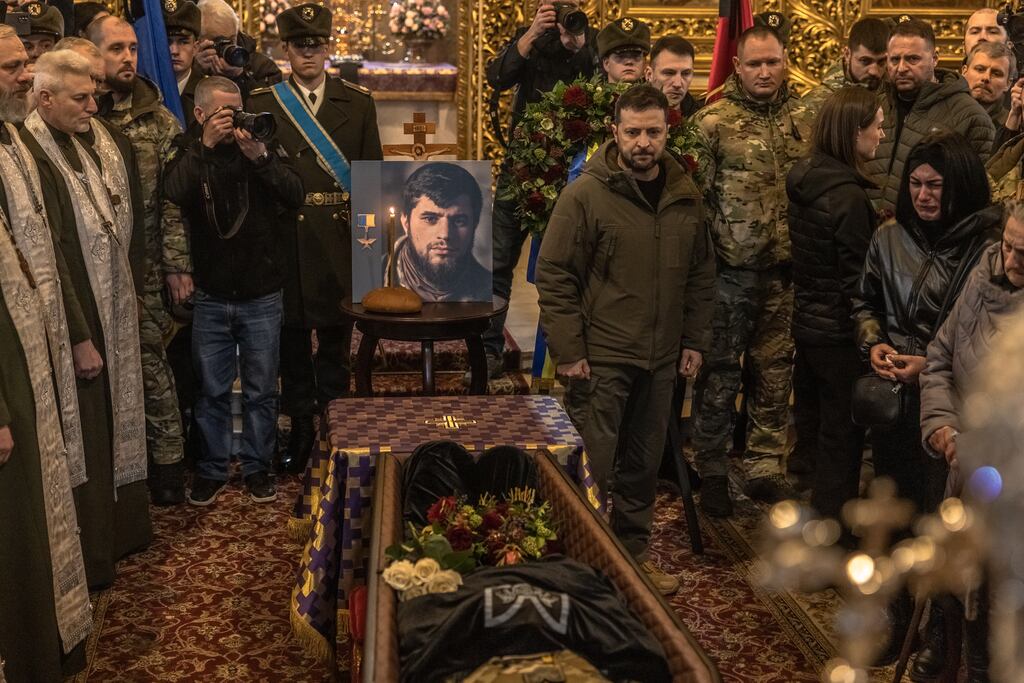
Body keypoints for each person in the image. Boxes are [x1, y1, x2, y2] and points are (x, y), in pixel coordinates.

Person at [536, 83, 716, 596]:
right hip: (602, 360)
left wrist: (694, 341)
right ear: (614, 132)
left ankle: (633, 563)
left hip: (660, 361)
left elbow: (701, 275)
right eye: (633, 132)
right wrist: (569, 352)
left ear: (667, 132)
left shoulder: (685, 194)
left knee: (641, 470)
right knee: (591, 467)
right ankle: (582, 566)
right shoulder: (586, 195)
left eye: (653, 132)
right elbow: (554, 273)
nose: (643, 142)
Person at [851, 132, 1001, 665]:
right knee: (894, 517)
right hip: (895, 400)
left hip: (950, 402)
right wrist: (875, 343)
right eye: (914, 184)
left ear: (958, 186)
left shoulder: (988, 248)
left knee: (941, 528)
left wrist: (929, 366)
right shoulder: (890, 237)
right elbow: (864, 300)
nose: (923, 196)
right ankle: (894, 626)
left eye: (934, 185)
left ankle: (939, 639)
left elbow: (981, 338)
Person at [20, 49, 152, 589]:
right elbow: (48, 251)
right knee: (87, 435)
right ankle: (93, 549)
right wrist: (77, 334)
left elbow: (130, 218)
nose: (95, 107)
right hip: (71, 317)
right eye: (82, 97)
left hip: (114, 302)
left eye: (95, 93)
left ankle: (124, 531)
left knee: (118, 419)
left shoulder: (100, 142)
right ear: (45, 98)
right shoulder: (31, 150)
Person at [247, 2, 382, 475]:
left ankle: (335, 424)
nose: (308, 54)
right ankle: (301, 427)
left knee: (333, 340)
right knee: (290, 341)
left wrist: (371, 256)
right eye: (299, 46)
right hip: (284, 237)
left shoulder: (358, 102)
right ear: (285, 50)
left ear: (328, 49)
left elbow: (371, 181)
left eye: (316, 45)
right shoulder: (263, 102)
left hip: (337, 240)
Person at [0, 28, 93, 680]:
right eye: (10, 66)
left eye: (24, 63)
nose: (22, 76)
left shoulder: (13, 143)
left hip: (31, 348)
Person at [164, 76, 303, 506]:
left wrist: (260, 158)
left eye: (238, 109)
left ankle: (258, 466)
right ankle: (211, 468)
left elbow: (296, 194)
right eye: (225, 112)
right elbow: (173, 191)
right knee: (212, 390)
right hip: (211, 293)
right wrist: (204, 146)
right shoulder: (188, 147)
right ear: (202, 114)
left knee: (263, 389)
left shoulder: (262, 140)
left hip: (262, 291)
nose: (236, 119)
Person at [689, 25, 809, 516]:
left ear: (785, 62)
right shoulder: (711, 123)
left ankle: (763, 466)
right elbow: (694, 206)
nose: (765, 72)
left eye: (773, 62)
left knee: (775, 373)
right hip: (728, 276)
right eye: (754, 63)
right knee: (719, 376)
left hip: (786, 275)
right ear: (736, 67)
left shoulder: (807, 118)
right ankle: (712, 467)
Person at [916, 204, 1024, 683]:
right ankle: (948, 644)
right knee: (961, 584)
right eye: (1009, 246)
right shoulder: (984, 273)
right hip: (966, 467)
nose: (1013, 259)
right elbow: (939, 356)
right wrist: (943, 426)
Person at [88, 16, 190, 505]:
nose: (128, 57)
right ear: (92, 55)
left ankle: (168, 467)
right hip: (92, 264)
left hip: (145, 263)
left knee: (152, 365)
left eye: (132, 47)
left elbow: (173, 203)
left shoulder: (158, 118)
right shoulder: (81, 113)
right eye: (115, 49)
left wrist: (177, 266)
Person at [480, 0, 599, 380]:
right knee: (498, 262)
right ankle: (487, 350)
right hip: (522, 170)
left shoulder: (591, 41)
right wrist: (531, 34)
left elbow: (605, 85)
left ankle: (556, 357)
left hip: (571, 175)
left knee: (559, 269)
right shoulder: (530, 39)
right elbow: (496, 76)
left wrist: (579, 44)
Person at [786, 87, 883, 525]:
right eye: (876, 127)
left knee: (819, 431)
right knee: (841, 438)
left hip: (808, 323)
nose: (881, 136)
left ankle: (817, 519)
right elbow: (856, 278)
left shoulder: (808, 177)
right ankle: (833, 531)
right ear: (854, 132)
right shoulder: (847, 196)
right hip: (840, 334)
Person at [864, 19, 994, 214]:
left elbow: (976, 196)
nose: (901, 68)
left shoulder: (971, 117)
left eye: (912, 59)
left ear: (934, 58)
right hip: (868, 232)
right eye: (894, 59)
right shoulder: (872, 105)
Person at [394, 162, 490, 302]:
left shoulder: (488, 289)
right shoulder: (372, 277)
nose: (445, 234)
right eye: (430, 219)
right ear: (405, 222)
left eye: (459, 221)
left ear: (475, 224)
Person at [801, 17, 889, 120]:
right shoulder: (814, 105)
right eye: (865, 61)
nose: (874, 71)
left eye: (881, 62)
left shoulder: (895, 97)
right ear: (847, 54)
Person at [194, 0, 281, 99]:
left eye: (231, 40)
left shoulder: (262, 67)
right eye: (219, 42)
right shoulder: (184, 65)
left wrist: (240, 78)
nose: (226, 47)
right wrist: (196, 72)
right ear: (198, 41)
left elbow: (267, 108)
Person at [164, 0, 203, 128]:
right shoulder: (146, 92)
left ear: (196, 47)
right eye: (167, 42)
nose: (174, 51)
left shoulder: (206, 91)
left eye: (183, 42)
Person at [962, 41, 1015, 129]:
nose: (986, 77)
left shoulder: (1013, 126)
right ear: (964, 72)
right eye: (980, 69)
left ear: (1008, 84)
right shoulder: (942, 114)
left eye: (996, 73)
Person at [645, 35, 698, 116]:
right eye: (669, 73)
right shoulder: (626, 115)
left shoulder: (704, 121)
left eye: (685, 74)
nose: (678, 84)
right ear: (649, 75)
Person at [596, 17, 650, 85]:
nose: (629, 62)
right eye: (621, 56)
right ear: (606, 64)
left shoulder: (656, 95)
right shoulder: (588, 95)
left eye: (636, 56)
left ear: (645, 63)